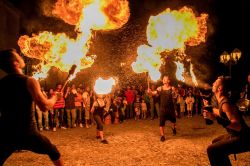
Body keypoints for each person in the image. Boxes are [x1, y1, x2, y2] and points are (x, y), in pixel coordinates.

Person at [0, 49, 63, 165]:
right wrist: (55, 98)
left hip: (6, 132)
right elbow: (44, 106)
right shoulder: (29, 81)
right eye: (17, 56)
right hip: (27, 133)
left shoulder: (1, 84)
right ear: (15, 63)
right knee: (53, 151)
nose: (20, 56)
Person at [203, 76, 250, 166]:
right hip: (235, 134)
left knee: (212, 150)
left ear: (220, 88)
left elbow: (237, 126)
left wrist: (215, 118)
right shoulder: (221, 101)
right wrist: (210, 108)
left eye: (215, 83)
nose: (213, 84)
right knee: (215, 142)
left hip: (243, 137)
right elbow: (221, 113)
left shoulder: (226, 103)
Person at [149, 75, 177, 142]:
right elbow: (153, 93)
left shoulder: (172, 88)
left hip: (171, 108)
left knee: (173, 121)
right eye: (163, 79)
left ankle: (173, 128)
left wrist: (174, 92)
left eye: (165, 79)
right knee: (161, 123)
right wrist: (150, 92)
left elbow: (175, 96)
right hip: (162, 108)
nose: (164, 80)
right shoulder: (160, 88)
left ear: (168, 81)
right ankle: (162, 136)